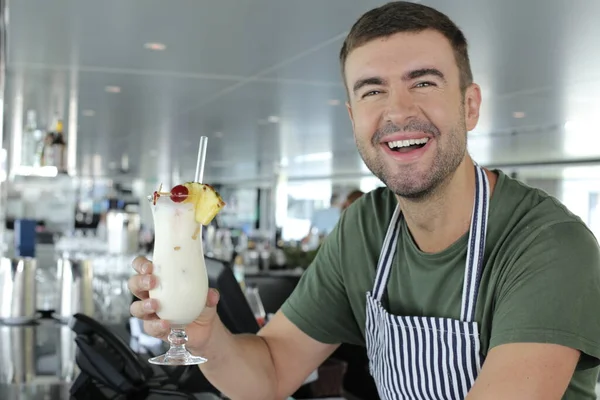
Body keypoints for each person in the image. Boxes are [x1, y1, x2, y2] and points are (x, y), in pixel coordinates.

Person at [129, 2, 600, 399]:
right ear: (354, 117)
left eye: (424, 82)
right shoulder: (365, 229)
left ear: (470, 105)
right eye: (373, 90)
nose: (397, 110)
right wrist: (209, 338)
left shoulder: (548, 245)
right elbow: (271, 371)